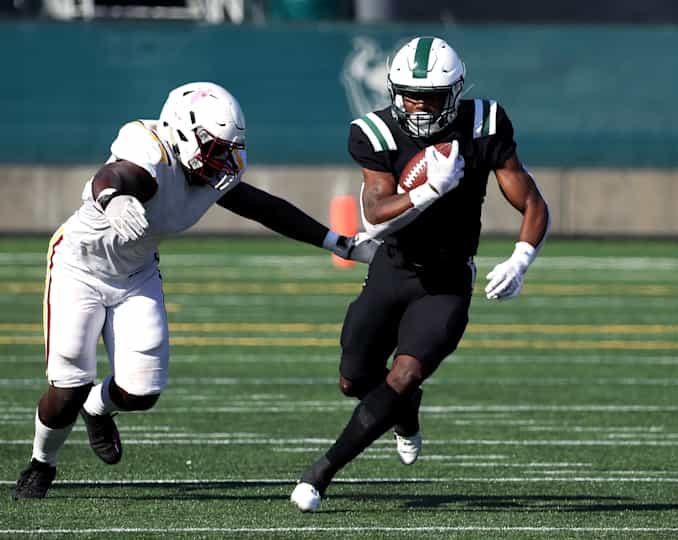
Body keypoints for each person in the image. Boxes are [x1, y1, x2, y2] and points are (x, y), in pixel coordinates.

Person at [12, 81, 378, 500]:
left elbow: (263, 207)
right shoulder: (148, 149)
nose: (223, 158)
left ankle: (98, 407)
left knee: (141, 391)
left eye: (227, 148)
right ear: (183, 131)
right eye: (215, 146)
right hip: (80, 266)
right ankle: (42, 464)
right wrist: (112, 197)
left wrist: (340, 243)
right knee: (68, 385)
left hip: (136, 273)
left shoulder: (213, 173)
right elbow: (114, 175)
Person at [290, 36, 550, 512]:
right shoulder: (374, 132)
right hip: (392, 268)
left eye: (431, 95)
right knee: (352, 380)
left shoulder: (484, 124)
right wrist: (430, 190)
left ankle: (321, 473)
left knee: (405, 373)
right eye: (410, 93)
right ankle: (404, 416)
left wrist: (521, 257)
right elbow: (374, 216)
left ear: (455, 92)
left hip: (447, 280)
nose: (419, 104)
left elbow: (531, 200)